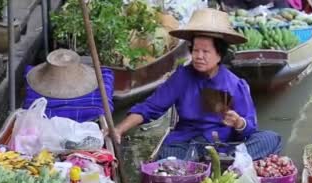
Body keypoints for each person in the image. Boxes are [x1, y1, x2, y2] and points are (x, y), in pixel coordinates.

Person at [114, 8, 282, 161]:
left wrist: (238, 122)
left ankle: (226, 162)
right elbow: (150, 107)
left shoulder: (235, 84)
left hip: (225, 147)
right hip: (186, 144)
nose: (199, 56)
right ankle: (215, 165)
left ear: (219, 55)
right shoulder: (181, 77)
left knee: (270, 138)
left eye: (206, 51)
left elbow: (250, 128)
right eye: (195, 50)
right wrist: (119, 129)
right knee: (168, 156)